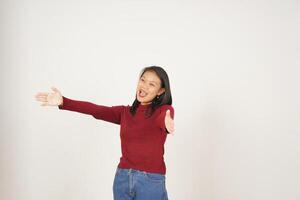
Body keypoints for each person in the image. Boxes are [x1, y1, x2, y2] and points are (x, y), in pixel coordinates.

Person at [34, 66, 175, 200]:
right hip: (123, 178)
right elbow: (96, 110)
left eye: (151, 84)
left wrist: (166, 121)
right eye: (143, 80)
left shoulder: (162, 112)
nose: (144, 86)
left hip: (150, 182)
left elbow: (165, 114)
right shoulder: (124, 113)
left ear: (160, 91)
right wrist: (64, 102)